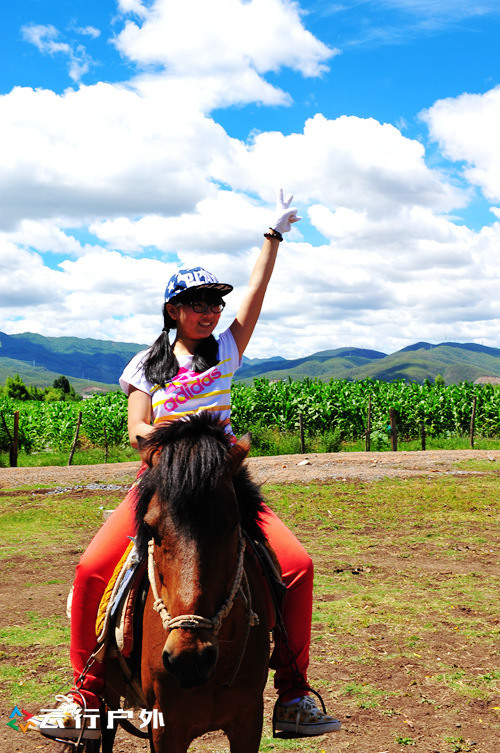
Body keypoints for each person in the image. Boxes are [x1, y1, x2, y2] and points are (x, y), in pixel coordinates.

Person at [33, 190, 341, 740]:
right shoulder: (146, 365)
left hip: (224, 484)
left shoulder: (227, 348)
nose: (210, 311)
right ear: (174, 311)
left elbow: (256, 294)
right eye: (198, 303)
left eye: (214, 304)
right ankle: (85, 696)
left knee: (296, 567)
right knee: (89, 571)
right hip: (165, 485)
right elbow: (138, 434)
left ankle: (293, 695)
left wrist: (273, 237)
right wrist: (192, 438)